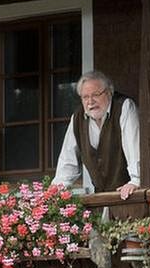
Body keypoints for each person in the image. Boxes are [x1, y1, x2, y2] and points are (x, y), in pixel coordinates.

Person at [52, 71, 140, 200]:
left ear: (109, 92)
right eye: (85, 97)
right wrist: (55, 191)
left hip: (128, 196)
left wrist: (136, 180)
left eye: (96, 95)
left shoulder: (124, 107)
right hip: (101, 198)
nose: (90, 101)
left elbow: (134, 147)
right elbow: (67, 161)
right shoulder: (77, 118)